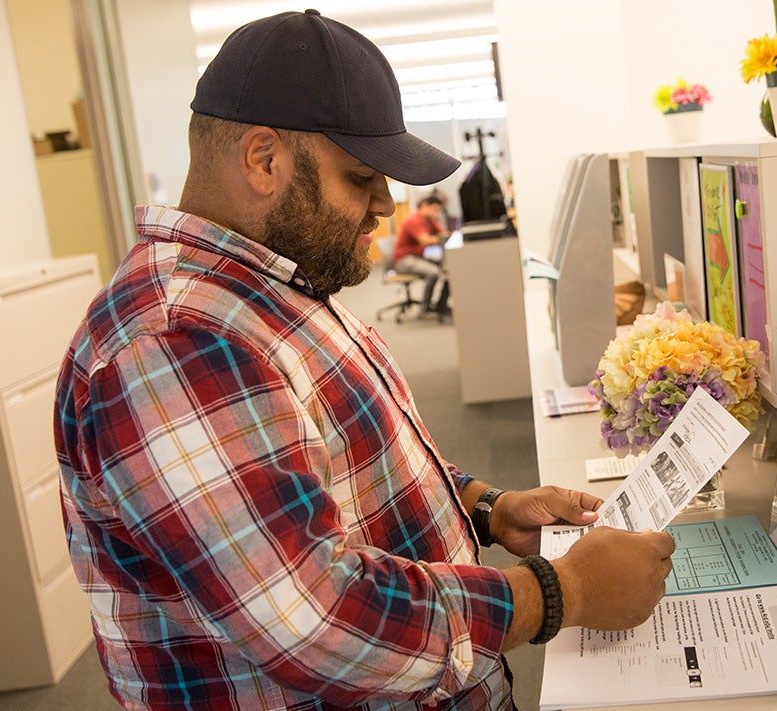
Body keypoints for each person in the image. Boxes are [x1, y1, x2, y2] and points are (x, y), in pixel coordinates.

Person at [53, 10, 674, 711]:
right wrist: (567, 590)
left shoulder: (267, 285)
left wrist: (483, 507)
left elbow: (329, 465)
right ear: (264, 160)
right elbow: (313, 621)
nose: (387, 203)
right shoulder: (173, 341)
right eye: (361, 177)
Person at [394, 194, 451, 314]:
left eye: (438, 210)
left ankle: (441, 305)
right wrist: (440, 238)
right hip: (404, 260)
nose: (437, 213)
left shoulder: (429, 220)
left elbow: (444, 234)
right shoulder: (414, 220)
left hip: (418, 256)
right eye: (435, 210)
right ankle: (425, 308)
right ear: (425, 206)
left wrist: (441, 235)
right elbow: (425, 240)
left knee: (448, 269)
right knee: (434, 273)